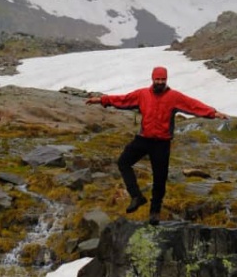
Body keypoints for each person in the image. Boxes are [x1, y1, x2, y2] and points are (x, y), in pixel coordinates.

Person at [86, 65, 227, 224]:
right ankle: (136, 196)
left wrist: (213, 113)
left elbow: (193, 105)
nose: (160, 82)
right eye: (157, 79)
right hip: (143, 139)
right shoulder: (142, 94)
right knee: (123, 162)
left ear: (166, 80)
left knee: (160, 179)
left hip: (162, 143)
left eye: (163, 79)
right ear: (152, 79)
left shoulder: (174, 97)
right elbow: (123, 100)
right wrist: (101, 100)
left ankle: (155, 212)